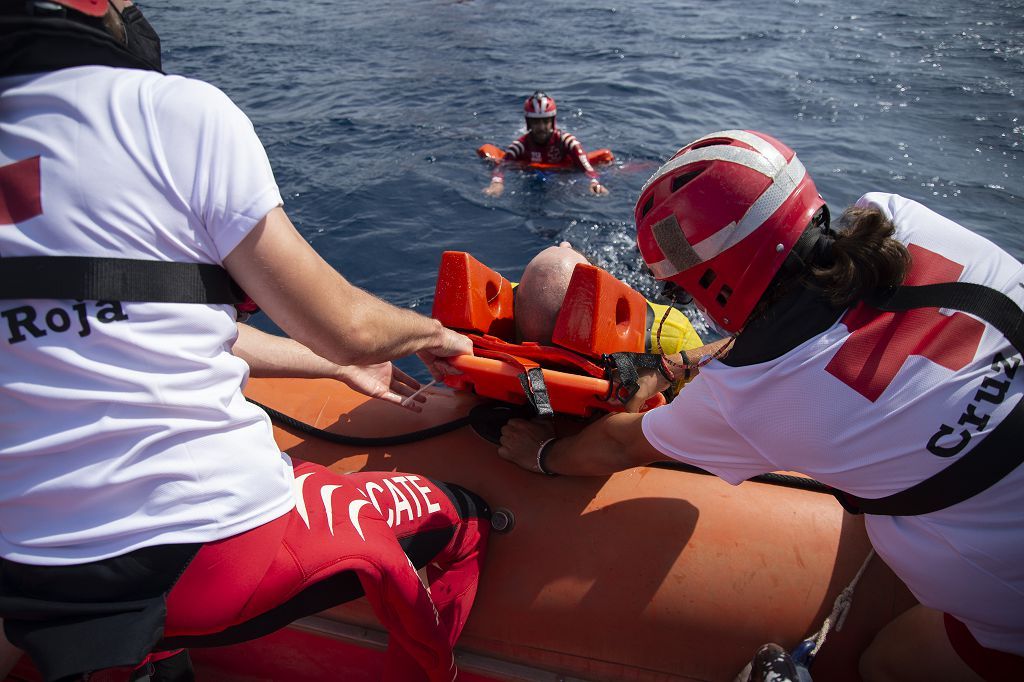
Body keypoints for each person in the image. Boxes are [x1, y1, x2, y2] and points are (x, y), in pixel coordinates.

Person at [0, 3, 488, 681]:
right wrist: (432, 333)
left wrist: (335, 368)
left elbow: (130, 325)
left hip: (34, 580)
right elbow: (344, 324)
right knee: (462, 518)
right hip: (213, 553)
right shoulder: (174, 112)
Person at [497, 130, 1024, 681]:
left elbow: (617, 443)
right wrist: (675, 364)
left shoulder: (746, 399)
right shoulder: (899, 218)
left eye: (682, 289)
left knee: (886, 663)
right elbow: (826, 313)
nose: (685, 301)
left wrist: (542, 455)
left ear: (714, 280)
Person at [482, 91, 609, 198]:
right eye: (536, 122)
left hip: (563, 179)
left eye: (545, 121)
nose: (541, 127)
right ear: (528, 123)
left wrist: (594, 183)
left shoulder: (568, 142)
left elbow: (588, 169)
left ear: (552, 122)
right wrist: (496, 183)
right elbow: (502, 166)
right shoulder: (520, 145)